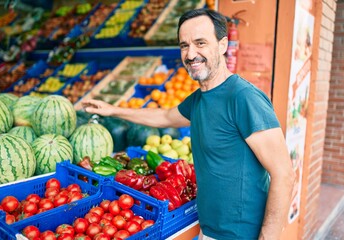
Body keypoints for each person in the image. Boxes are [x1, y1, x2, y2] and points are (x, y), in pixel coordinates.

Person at [82, 8, 295, 240]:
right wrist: (113, 110)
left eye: (200, 43)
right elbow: (164, 117)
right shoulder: (200, 98)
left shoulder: (243, 98)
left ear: (223, 45)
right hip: (209, 230)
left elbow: (284, 174)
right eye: (184, 45)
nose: (191, 54)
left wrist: (269, 236)